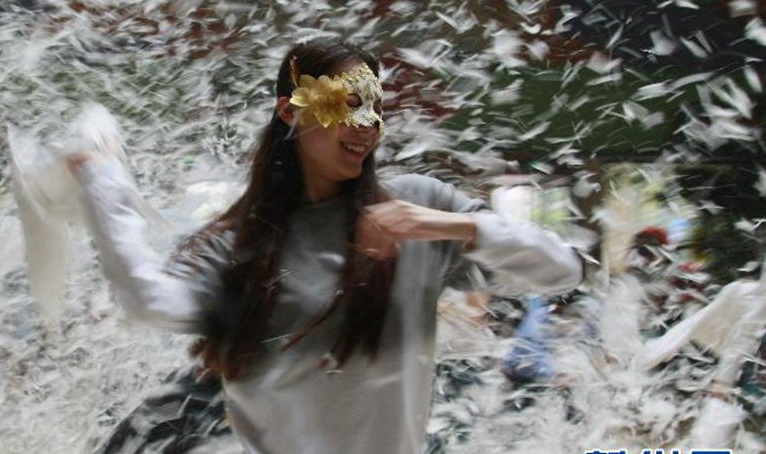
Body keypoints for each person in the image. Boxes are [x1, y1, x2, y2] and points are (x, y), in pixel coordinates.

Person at [69, 37, 582, 454]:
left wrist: (455, 226)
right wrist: (103, 182)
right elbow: (147, 301)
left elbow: (563, 271)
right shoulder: (237, 246)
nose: (366, 125)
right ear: (290, 113)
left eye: (375, 108)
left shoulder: (418, 208)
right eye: (348, 103)